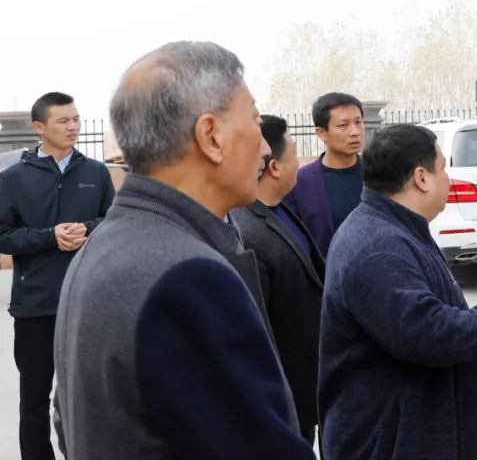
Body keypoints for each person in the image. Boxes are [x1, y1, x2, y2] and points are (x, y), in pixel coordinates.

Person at [53, 42, 314, 459]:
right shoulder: (188, 276)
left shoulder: (102, 246)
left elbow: (67, 425)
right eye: (254, 120)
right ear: (210, 136)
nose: (266, 148)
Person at [319, 124, 477, 460]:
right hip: (390, 445)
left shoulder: (396, 228)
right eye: (443, 168)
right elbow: (427, 331)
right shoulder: (378, 246)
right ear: (422, 177)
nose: (448, 178)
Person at [0, 92, 114, 460]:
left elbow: (115, 223)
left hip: (87, 301)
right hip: (35, 306)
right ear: (39, 127)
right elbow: (2, 234)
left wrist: (86, 229)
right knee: (33, 401)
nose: (73, 127)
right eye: (63, 121)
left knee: (89, 396)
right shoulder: (13, 179)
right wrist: (50, 237)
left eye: (77, 119)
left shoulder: (96, 173)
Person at [232, 115, 325, 445]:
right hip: (282, 395)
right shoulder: (247, 232)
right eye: (295, 155)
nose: (300, 164)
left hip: (304, 387)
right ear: (274, 167)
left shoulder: (280, 210)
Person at [284, 92, 365, 257]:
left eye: (358, 122)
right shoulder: (299, 183)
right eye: (343, 125)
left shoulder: (381, 173)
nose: (355, 132)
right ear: (321, 133)